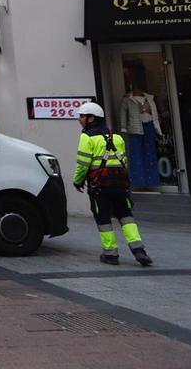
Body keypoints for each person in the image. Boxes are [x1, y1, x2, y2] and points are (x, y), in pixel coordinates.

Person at [74, 101, 152, 266]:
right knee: (126, 216)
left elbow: (83, 164)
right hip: (120, 185)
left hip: (99, 186)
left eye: (82, 116)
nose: (79, 119)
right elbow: (123, 161)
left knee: (103, 219)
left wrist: (77, 181)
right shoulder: (116, 137)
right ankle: (139, 251)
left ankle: (111, 254)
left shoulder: (86, 137)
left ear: (91, 118)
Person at [118, 82, 162, 188]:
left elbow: (155, 113)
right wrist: (123, 127)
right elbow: (123, 114)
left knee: (150, 152)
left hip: (149, 126)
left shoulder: (149, 99)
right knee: (136, 153)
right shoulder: (128, 99)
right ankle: (138, 182)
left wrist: (157, 126)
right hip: (135, 128)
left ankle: (152, 181)